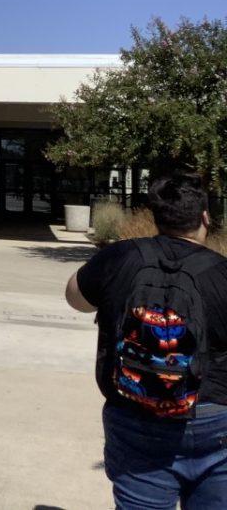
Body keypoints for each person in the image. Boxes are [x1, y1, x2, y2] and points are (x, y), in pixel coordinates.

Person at [67, 173, 227, 509]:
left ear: (156, 217)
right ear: (205, 217)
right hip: (216, 420)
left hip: (135, 412)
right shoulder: (222, 272)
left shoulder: (121, 257)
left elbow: (75, 299)